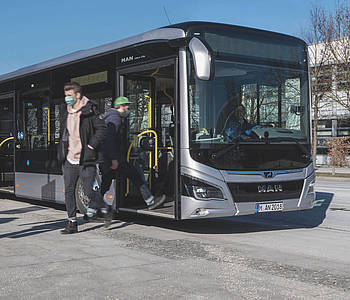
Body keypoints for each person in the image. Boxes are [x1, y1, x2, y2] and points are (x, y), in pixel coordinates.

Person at [99, 96, 166, 212]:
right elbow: (110, 140)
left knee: (106, 183)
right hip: (114, 158)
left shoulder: (112, 117)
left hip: (109, 158)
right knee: (135, 176)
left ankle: (92, 208)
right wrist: (114, 159)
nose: (128, 107)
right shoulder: (115, 118)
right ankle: (150, 201)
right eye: (126, 105)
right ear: (119, 106)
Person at [58, 82, 106, 234]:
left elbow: (102, 129)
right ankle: (72, 222)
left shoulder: (90, 110)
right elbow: (65, 134)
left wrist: (91, 145)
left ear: (78, 95)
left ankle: (105, 207)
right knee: (69, 191)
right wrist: (61, 154)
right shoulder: (65, 111)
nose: (67, 99)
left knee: (88, 191)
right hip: (69, 159)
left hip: (86, 159)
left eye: (69, 96)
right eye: (65, 96)